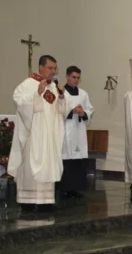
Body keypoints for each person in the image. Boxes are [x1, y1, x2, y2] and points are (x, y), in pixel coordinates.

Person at [8, 55, 67, 212]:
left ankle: (46, 200)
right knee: (32, 163)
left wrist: (61, 96)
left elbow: (59, 111)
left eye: (55, 68)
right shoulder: (27, 84)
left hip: (48, 137)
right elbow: (19, 101)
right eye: (50, 68)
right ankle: (28, 200)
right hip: (34, 135)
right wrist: (36, 94)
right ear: (41, 67)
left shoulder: (53, 87)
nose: (53, 71)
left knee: (48, 164)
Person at [56, 66, 94, 199]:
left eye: (78, 78)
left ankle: (76, 188)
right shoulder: (60, 93)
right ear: (67, 76)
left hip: (79, 131)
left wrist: (83, 112)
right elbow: (57, 111)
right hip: (66, 129)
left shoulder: (83, 94)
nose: (76, 80)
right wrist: (71, 111)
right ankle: (64, 188)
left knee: (78, 161)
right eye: (74, 77)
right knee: (66, 159)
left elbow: (90, 109)